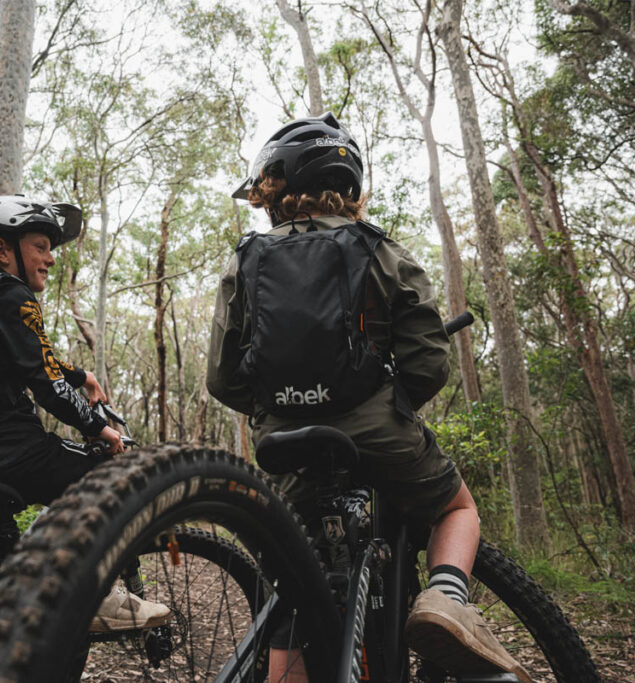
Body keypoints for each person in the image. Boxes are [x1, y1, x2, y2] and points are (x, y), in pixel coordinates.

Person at [206, 114, 531, 683]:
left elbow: (223, 378)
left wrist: (276, 408)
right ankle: (446, 599)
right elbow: (429, 359)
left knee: (293, 584)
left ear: (280, 190)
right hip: (375, 429)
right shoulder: (380, 249)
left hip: (283, 443)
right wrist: (389, 402)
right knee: (456, 508)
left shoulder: (246, 258)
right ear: (349, 182)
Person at [0, 195, 170, 675]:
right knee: (104, 471)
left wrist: (81, 376)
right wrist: (102, 429)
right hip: (10, 454)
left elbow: (27, 358)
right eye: (40, 245)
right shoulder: (13, 296)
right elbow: (44, 382)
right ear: (1, 249)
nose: (51, 257)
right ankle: (100, 594)